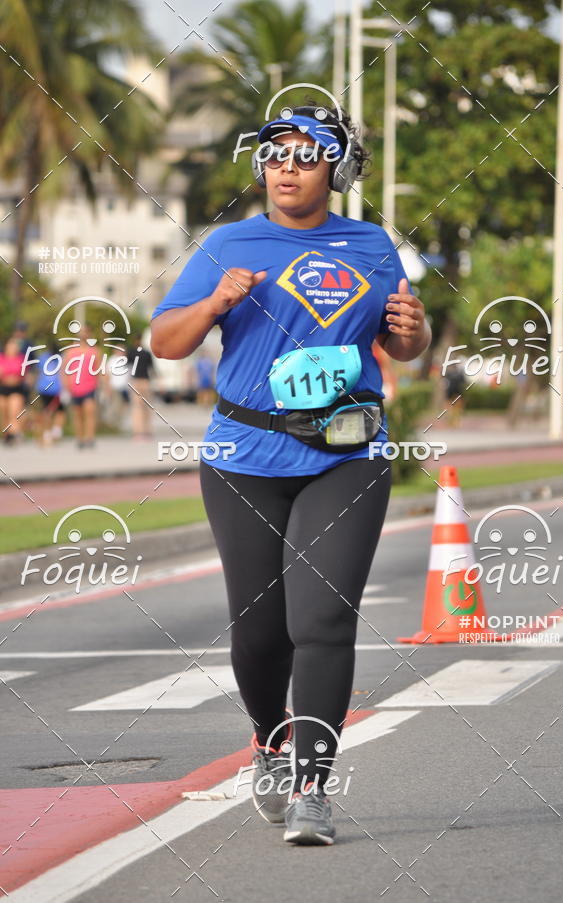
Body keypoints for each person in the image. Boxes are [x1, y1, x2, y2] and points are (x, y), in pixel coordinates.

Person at [150, 101, 431, 845]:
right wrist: (215, 301)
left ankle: (313, 788)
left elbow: (401, 340)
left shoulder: (371, 245)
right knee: (261, 626)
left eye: (306, 156)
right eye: (276, 155)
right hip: (244, 456)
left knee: (324, 618)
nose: (287, 169)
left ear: (335, 168)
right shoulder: (228, 243)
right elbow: (166, 343)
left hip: (347, 453)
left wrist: (415, 334)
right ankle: (268, 739)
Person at [62, 324, 98, 448]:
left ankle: (90, 438)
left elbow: (99, 370)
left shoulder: (94, 351)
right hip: (75, 388)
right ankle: (80, 438)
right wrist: (66, 385)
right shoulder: (70, 351)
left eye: (86, 332)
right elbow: (64, 370)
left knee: (90, 412)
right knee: (78, 414)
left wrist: (105, 386)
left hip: (90, 387)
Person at [34, 342, 65, 445]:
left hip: (49, 389)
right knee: (51, 411)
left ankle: (53, 432)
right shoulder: (61, 358)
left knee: (54, 411)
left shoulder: (43, 357)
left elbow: (37, 372)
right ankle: (50, 433)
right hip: (52, 389)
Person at [0, 336, 28, 444]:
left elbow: (24, 374)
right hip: (2, 388)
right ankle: (7, 434)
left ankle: (13, 433)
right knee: (4, 411)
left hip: (16, 389)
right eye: (11, 345)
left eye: (15, 345)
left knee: (14, 410)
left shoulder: (21, 358)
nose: (14, 347)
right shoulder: (1, 358)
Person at [126, 335, 154, 439]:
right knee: (146, 407)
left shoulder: (131, 352)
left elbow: (127, 366)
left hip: (136, 380)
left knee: (137, 407)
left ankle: (138, 431)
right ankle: (147, 430)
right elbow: (151, 368)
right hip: (146, 380)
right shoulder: (146, 353)